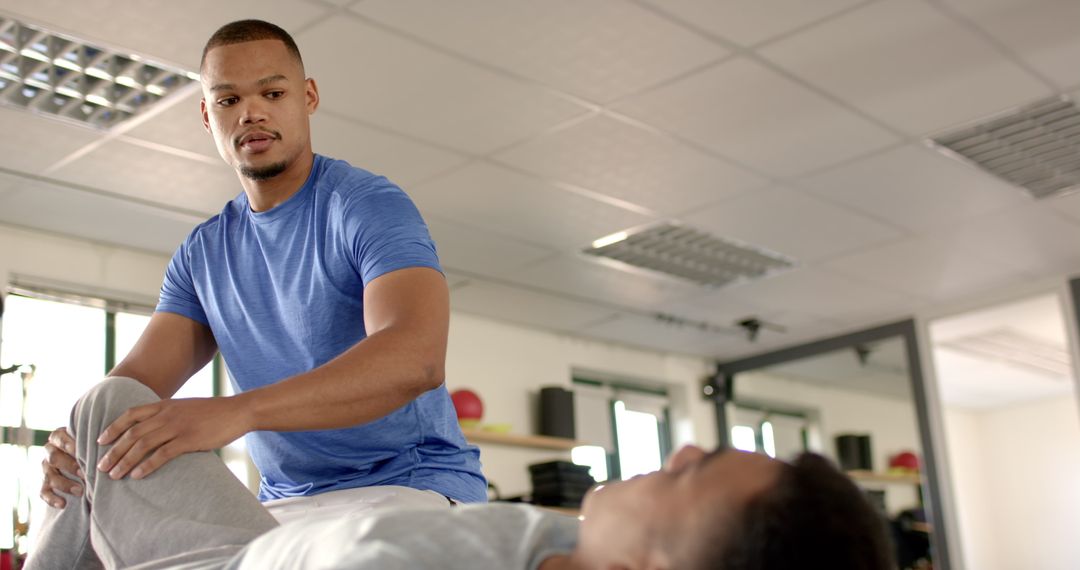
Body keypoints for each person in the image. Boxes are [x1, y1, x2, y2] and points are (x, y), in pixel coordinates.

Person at [38, 17, 486, 529]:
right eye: (228, 101)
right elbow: (132, 388)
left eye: (272, 92)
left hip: (407, 486)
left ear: (308, 97)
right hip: (283, 507)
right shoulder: (203, 251)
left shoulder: (365, 205)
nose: (251, 112)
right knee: (96, 448)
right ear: (208, 116)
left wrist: (237, 412)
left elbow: (416, 358)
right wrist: (72, 438)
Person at [28, 377, 894, 569]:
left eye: (689, 478)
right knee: (112, 406)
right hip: (257, 540)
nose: (679, 451)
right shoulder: (571, 538)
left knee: (108, 417)